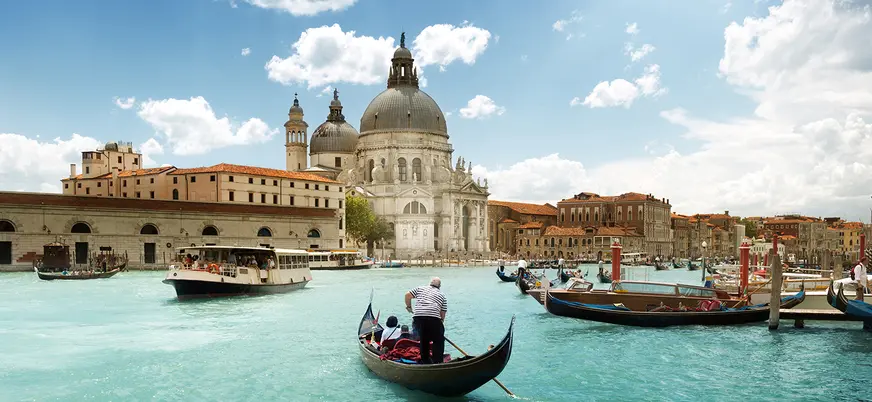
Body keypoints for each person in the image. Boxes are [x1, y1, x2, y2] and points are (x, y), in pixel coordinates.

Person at [405, 277, 447, 364]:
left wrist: (409, 307)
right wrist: (439, 327)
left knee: (424, 339)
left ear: (429, 283)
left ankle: (425, 360)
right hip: (434, 319)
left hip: (418, 318)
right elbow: (442, 314)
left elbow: (407, 295)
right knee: (438, 340)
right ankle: (438, 361)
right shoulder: (442, 295)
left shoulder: (420, 289)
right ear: (439, 286)